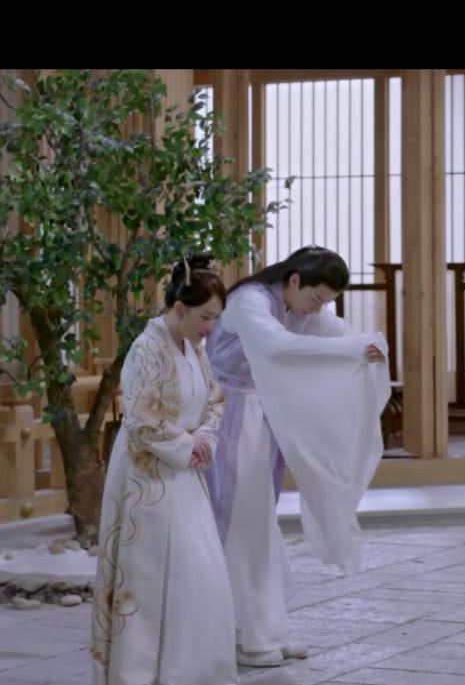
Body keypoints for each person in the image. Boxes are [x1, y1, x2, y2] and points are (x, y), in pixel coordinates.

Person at [204, 245, 391, 668]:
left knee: (259, 525)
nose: (317, 308)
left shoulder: (297, 308)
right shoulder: (249, 301)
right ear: (293, 280)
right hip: (227, 415)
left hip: (259, 418)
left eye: (325, 302)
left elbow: (337, 332)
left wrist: (370, 347)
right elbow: (277, 347)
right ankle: (244, 634)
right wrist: (355, 348)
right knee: (240, 524)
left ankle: (266, 629)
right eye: (316, 298)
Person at [91, 255, 236, 685]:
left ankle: (193, 671)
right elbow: (141, 416)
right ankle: (140, 673)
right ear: (179, 308)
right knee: (146, 576)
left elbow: (214, 399)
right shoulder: (147, 348)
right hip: (147, 472)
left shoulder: (194, 348)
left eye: (215, 318)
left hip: (183, 472)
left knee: (199, 572)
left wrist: (203, 439)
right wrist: (186, 445)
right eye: (206, 317)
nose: (211, 326)